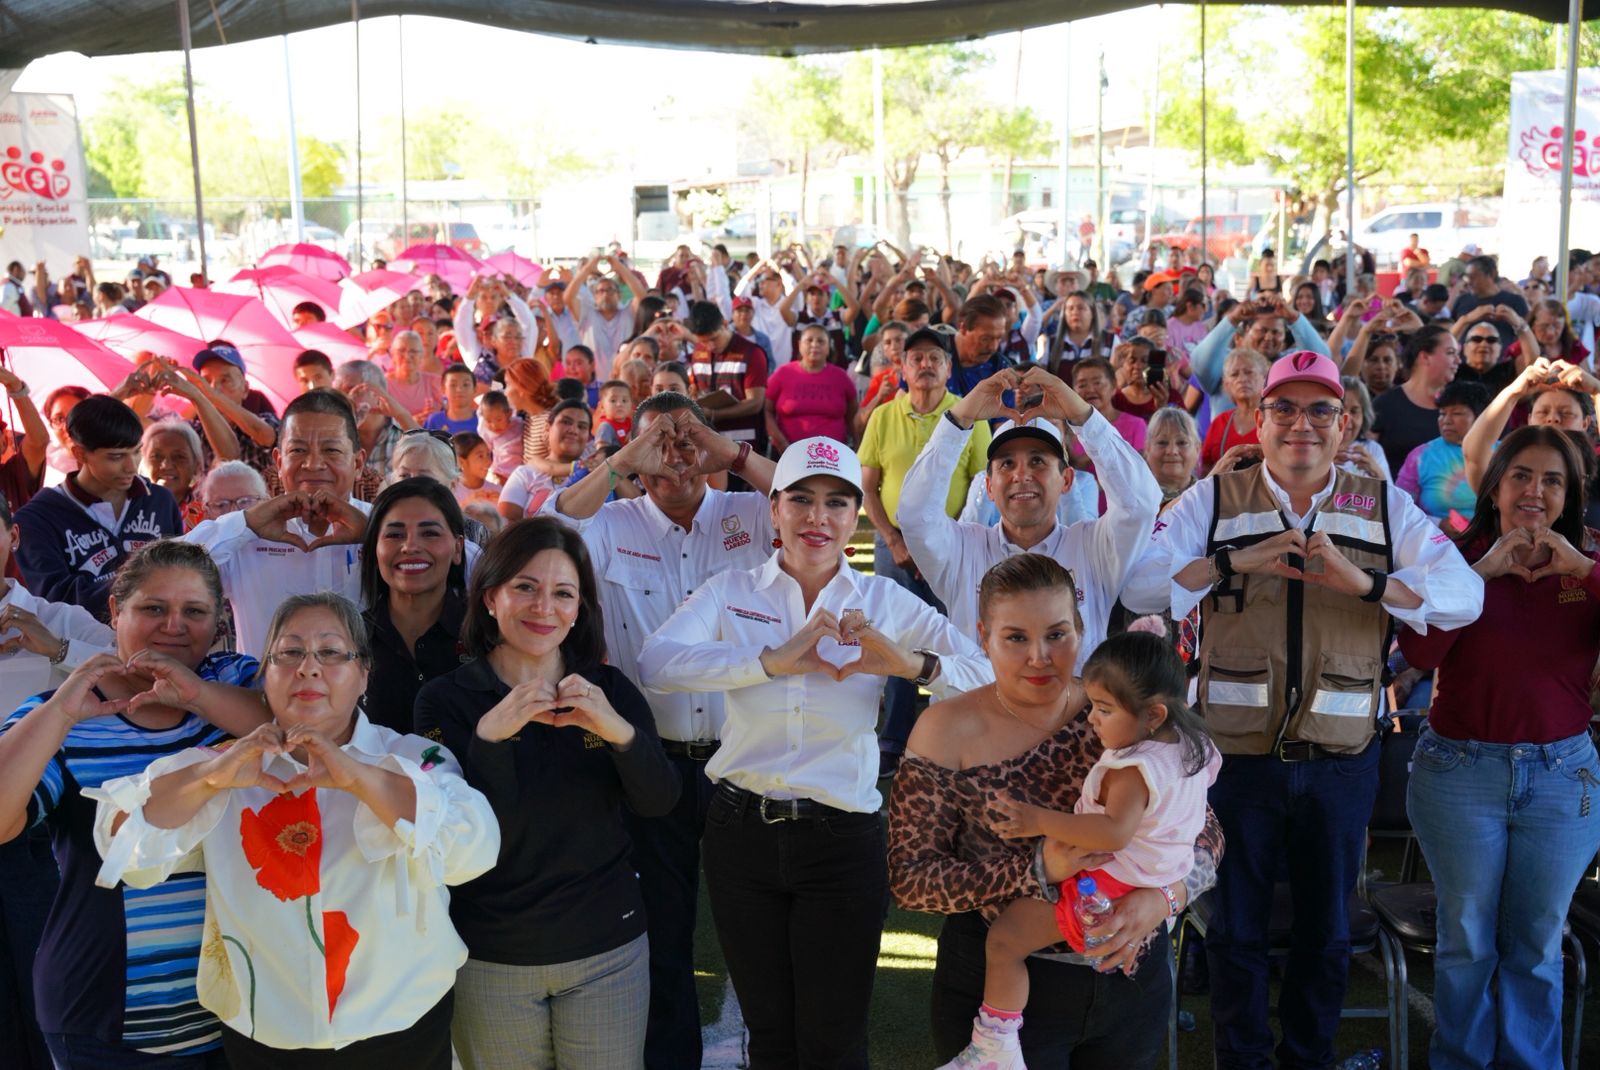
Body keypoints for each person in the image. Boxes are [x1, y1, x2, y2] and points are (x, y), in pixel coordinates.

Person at [1122, 350, 1484, 1070]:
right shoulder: (1213, 500)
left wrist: (1366, 581)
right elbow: (1140, 586)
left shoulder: (1380, 505)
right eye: (1284, 408)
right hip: (1235, 763)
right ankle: (1244, 1060)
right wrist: (1235, 560)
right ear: (1259, 420)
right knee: (1236, 932)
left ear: (1345, 424)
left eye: (1320, 409)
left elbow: (1464, 594)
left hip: (1341, 762)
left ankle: (1310, 1061)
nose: (1301, 424)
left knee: (1325, 936)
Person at [637, 438, 994, 1069]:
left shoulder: (882, 601)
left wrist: (911, 664)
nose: (816, 518)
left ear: (855, 514)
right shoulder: (731, 589)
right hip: (739, 832)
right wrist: (770, 662)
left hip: (841, 839)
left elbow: (985, 673)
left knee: (834, 1041)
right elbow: (656, 663)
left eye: (836, 502)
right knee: (770, 1036)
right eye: (799, 500)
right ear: (773, 510)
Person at [92, 592, 500, 1068]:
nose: (309, 668)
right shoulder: (224, 765)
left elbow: (474, 850)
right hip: (265, 1035)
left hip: (401, 1028)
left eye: (331, 653)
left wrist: (359, 778)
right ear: (265, 675)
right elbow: (121, 844)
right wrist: (211, 778)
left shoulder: (412, 759)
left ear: (363, 673)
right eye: (289, 653)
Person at [889, 554, 1224, 1067]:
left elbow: (1207, 834)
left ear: (1082, 629)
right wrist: (1037, 869)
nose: (1039, 657)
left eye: (1057, 634)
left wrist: (1165, 898)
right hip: (1002, 993)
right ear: (983, 636)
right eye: (1016, 637)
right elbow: (912, 880)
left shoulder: (1124, 713)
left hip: (1131, 980)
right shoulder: (943, 728)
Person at [538, 392, 774, 1069]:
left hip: (741, 758)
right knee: (663, 930)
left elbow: (810, 495)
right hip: (650, 762)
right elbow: (548, 524)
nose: (675, 456)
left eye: (686, 439)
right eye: (659, 445)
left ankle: (768, 1052)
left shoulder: (746, 511)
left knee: (755, 925)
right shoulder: (610, 521)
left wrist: (726, 450)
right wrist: (624, 460)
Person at [414, 518, 677, 1069]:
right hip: (491, 955)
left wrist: (619, 733)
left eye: (563, 593)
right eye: (525, 588)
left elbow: (660, 802)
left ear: (580, 608)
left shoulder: (608, 691)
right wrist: (491, 737)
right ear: (490, 597)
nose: (544, 608)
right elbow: (468, 836)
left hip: (607, 949)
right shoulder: (445, 700)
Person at [0, 541, 269, 1067]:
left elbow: (293, 729)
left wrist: (194, 694)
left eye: (194, 611)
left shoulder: (233, 682)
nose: (174, 625)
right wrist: (61, 710)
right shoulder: (65, 712)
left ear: (217, 625)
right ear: (115, 613)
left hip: (243, 1009)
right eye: (152, 608)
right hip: (105, 1016)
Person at [1397, 425, 1600, 1070]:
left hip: (1563, 776)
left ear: (1570, 496)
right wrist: (1477, 574)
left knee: (1539, 942)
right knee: (1466, 940)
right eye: (1521, 475)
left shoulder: (1592, 561)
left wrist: (1586, 572)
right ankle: (1459, 1060)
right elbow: (1419, 651)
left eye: (1552, 480)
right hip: (1460, 773)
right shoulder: (1450, 555)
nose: (1534, 491)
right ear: (1495, 486)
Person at [899, 365, 1162, 668]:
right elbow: (914, 514)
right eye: (1007, 464)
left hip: (1071, 714)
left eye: (1037, 461)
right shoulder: (961, 549)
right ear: (989, 486)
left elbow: (1141, 504)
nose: (1021, 475)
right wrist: (959, 420)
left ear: (1066, 481)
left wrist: (1082, 417)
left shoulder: (1094, 548)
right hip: (979, 714)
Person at [859, 327, 990, 775]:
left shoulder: (968, 415)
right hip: (891, 544)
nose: (926, 365)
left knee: (952, 643)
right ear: (902, 367)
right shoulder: (883, 416)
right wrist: (893, 540)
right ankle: (893, 740)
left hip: (952, 549)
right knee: (893, 641)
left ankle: (952, 742)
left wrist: (947, 545)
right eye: (916, 358)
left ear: (949, 368)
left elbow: (982, 486)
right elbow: (868, 489)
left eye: (936, 357)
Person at [183, 389, 377, 655]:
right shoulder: (245, 530)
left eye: (331, 450)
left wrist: (375, 534)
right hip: (258, 696)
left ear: (358, 463)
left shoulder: (385, 528)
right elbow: (162, 573)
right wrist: (246, 525)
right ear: (278, 461)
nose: (313, 463)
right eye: (298, 450)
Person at [15, 396, 183, 620]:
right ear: (80, 454)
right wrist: (146, 585)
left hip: (163, 639)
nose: (131, 466)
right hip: (82, 650)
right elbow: (55, 601)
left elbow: (182, 571)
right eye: (116, 457)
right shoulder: (37, 519)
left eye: (136, 452)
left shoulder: (160, 500)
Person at [358, 477, 468, 733]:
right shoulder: (347, 638)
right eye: (394, 534)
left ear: (458, 548)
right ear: (374, 549)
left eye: (429, 533)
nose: (410, 547)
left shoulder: (490, 634)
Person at [1395, 380, 1490, 524]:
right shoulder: (1420, 456)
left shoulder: (1502, 453)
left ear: (1480, 417)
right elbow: (1399, 509)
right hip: (1433, 541)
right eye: (1442, 413)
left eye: (1457, 413)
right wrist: (1436, 523)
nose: (1446, 420)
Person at [1372, 325, 1461, 474]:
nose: (1458, 360)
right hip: (1395, 493)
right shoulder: (1385, 404)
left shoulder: (1461, 404)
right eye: (1451, 353)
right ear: (1425, 357)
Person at [764, 323, 858, 453]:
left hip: (833, 457)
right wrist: (781, 443)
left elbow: (853, 415)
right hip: (788, 454)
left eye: (821, 341)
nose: (814, 345)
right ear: (799, 345)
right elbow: (766, 410)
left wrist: (858, 450)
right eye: (809, 340)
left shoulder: (841, 377)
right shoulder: (782, 374)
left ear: (828, 347)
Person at [497, 400, 594, 522]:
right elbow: (506, 523)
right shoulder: (526, 474)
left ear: (588, 438)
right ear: (547, 428)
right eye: (566, 422)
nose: (574, 430)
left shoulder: (594, 476)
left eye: (582, 426)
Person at [1200, 349, 1268, 473]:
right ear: (1226, 384)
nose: (1242, 379)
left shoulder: (1274, 420)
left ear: (1265, 378)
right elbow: (1206, 470)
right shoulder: (1220, 422)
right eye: (1234, 374)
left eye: (1249, 372)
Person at [1450, 255, 1530, 348]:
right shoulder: (1462, 300)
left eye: (1474, 277)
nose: (1469, 282)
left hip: (1505, 360)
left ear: (1491, 274)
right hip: (1464, 360)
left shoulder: (1515, 301)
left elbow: (1526, 336)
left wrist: (1516, 321)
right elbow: (1449, 337)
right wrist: (1466, 319)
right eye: (1467, 277)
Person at [141, 417, 207, 530]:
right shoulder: (127, 508)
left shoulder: (210, 511)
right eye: (156, 456)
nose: (166, 466)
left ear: (196, 465)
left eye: (179, 457)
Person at [1144, 406, 1203, 503]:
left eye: (1182, 443)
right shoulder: (1135, 498)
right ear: (1148, 448)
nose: (1172, 451)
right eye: (1162, 442)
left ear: (1197, 449)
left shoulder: (1210, 498)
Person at [424, 364, 481, 435]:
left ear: (475, 389)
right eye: (453, 385)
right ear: (443, 389)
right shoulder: (434, 421)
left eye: (466, 385)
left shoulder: (484, 420)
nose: (459, 389)